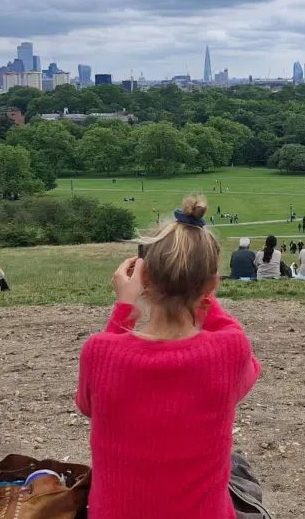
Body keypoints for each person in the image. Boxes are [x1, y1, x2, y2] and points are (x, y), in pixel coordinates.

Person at [76, 197, 266, 519]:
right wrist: (202, 294)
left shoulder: (99, 351)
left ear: (144, 279)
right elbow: (250, 368)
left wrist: (124, 307)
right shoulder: (230, 349)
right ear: (211, 285)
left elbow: (87, 405)